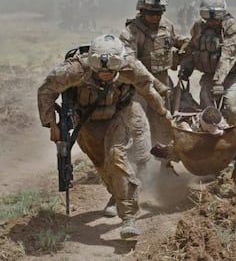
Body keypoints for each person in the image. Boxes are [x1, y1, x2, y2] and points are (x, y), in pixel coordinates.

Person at [37, 34, 171, 239]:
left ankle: (128, 218)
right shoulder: (74, 70)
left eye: (111, 70)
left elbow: (148, 89)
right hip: (86, 121)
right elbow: (46, 89)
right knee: (102, 164)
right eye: (100, 70)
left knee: (116, 157)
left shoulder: (130, 67)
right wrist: (51, 123)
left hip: (119, 114)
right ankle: (117, 195)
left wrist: (163, 113)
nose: (106, 74)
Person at [179, 0, 236, 184]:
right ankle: (214, 162)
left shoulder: (232, 29)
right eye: (207, 16)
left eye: (215, 16)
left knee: (230, 107)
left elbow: (228, 56)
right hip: (210, 78)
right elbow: (191, 49)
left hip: (234, 77)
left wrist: (219, 81)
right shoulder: (198, 27)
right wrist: (186, 67)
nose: (212, 21)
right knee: (208, 116)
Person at [119, 0, 189, 146]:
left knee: (164, 124)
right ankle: (135, 162)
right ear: (141, 11)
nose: (155, 17)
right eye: (151, 13)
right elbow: (130, 61)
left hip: (163, 80)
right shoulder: (131, 32)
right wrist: (155, 84)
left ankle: (163, 163)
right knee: (137, 124)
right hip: (139, 86)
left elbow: (172, 40)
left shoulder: (166, 25)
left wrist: (184, 43)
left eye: (159, 13)